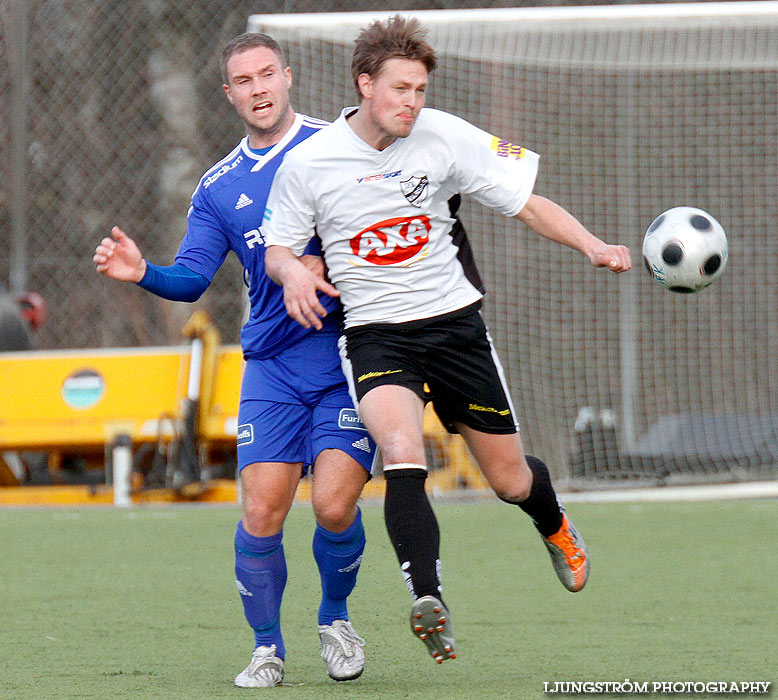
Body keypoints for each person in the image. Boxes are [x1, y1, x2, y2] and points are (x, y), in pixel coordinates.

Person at [263, 15, 632, 664]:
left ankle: (555, 524)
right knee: (403, 448)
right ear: (365, 83)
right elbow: (277, 248)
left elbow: (526, 202)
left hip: (455, 329)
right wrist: (293, 269)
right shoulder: (311, 163)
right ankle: (428, 599)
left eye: (420, 91)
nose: (412, 102)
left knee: (511, 481)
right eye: (401, 88)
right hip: (376, 337)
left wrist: (593, 245)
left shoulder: (445, 137)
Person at [93, 33, 377, 687]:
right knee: (260, 513)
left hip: (344, 353)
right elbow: (190, 278)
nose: (257, 88)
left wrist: (327, 259)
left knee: (334, 507)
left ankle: (335, 619)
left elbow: (384, 222)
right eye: (243, 81)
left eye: (266, 74)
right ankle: (266, 648)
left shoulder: (338, 145)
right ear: (229, 94)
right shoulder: (220, 185)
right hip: (273, 367)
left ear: (288, 77)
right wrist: (143, 273)